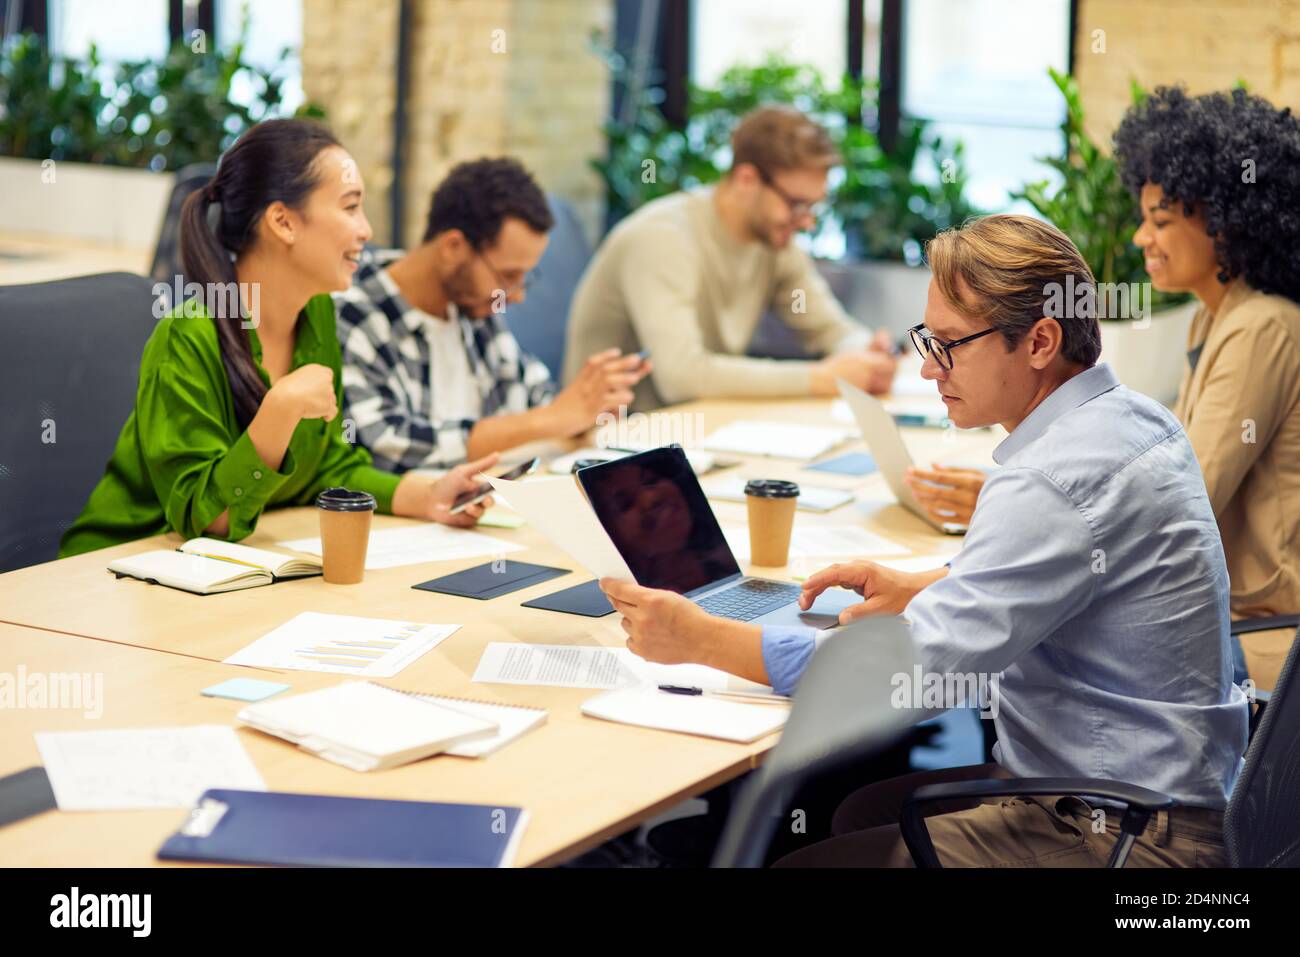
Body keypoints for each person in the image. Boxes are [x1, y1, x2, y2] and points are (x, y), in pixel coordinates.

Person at [601, 215, 1248, 867]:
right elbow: (1074, 567)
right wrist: (930, 583)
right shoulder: (1134, 417)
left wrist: (701, 639)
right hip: (1163, 791)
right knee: (854, 812)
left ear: (1041, 341)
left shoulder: (1050, 479)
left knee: (804, 859)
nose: (928, 366)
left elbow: (905, 678)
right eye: (925, 340)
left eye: (949, 345)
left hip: (1124, 833)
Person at [909, 87, 1300, 691]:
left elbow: (1193, 484)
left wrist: (1031, 505)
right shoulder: (1213, 316)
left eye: (1162, 221)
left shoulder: (1262, 326)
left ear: (1228, 224)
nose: (1143, 237)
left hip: (1259, 640)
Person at [60, 120, 494, 558]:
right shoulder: (187, 336)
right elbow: (207, 519)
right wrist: (280, 410)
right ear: (283, 222)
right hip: (121, 569)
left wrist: (430, 496)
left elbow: (326, 467)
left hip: (232, 573)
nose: (366, 231)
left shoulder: (317, 313)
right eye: (350, 207)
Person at [563, 105, 897, 411]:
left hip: (701, 429)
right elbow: (681, 376)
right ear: (747, 179)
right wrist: (821, 378)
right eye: (797, 204)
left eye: (813, 207)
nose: (807, 222)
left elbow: (830, 329)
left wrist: (867, 352)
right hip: (613, 446)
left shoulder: (774, 242)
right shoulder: (662, 238)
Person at [335, 158, 650, 472]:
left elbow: (535, 396)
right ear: (453, 247)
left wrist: (589, 405)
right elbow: (385, 445)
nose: (517, 295)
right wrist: (552, 419)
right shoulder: (355, 314)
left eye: (525, 277)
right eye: (508, 276)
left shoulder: (473, 307)